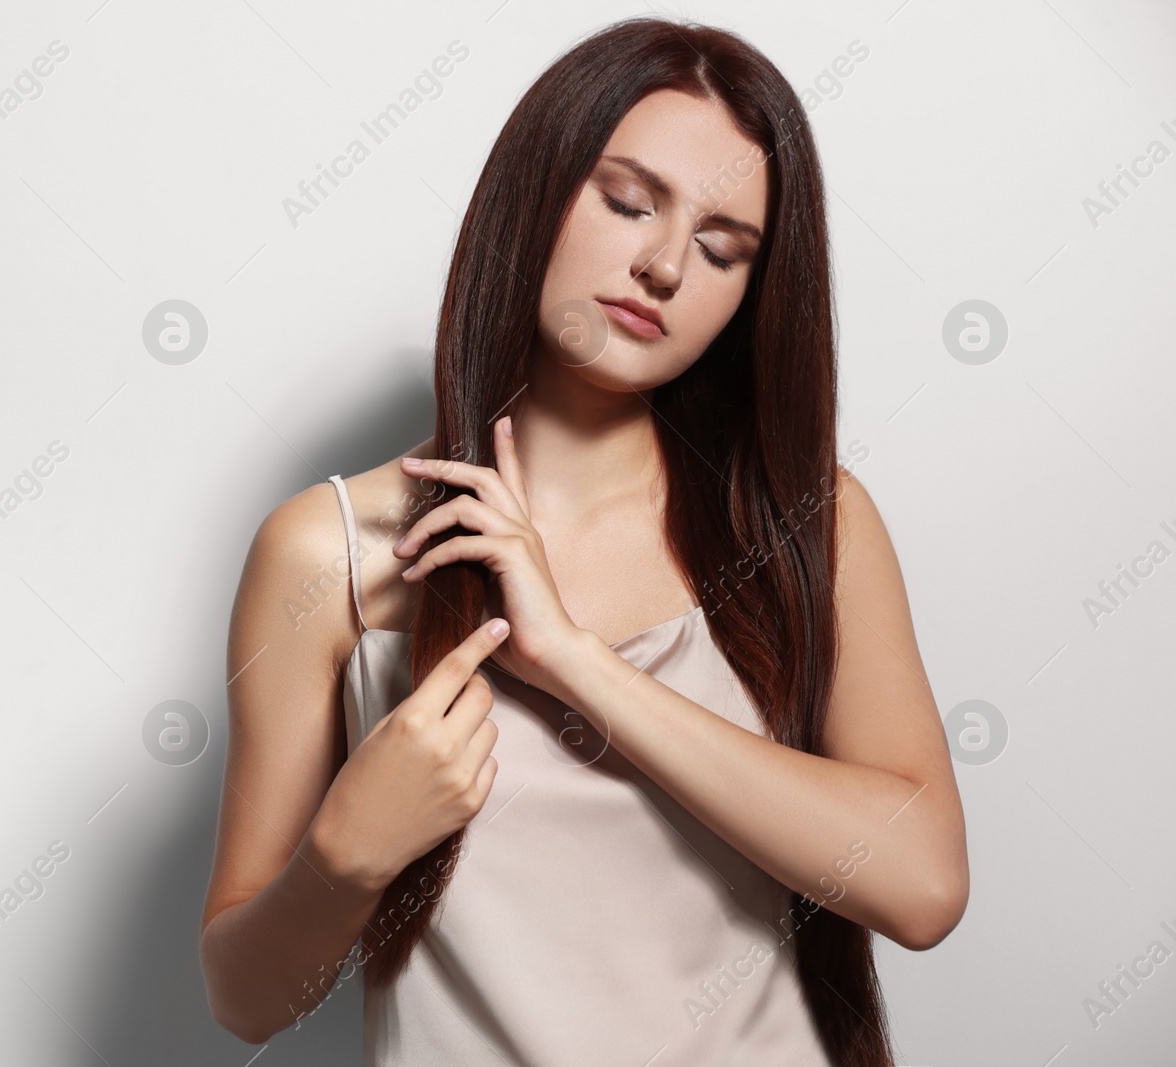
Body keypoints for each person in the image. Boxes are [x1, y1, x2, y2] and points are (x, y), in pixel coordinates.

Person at [200, 16, 969, 1066]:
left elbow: (922, 885)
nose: (660, 265)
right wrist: (343, 855)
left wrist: (573, 663)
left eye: (719, 247)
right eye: (626, 202)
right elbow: (245, 999)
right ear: (538, 191)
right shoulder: (328, 551)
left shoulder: (803, 520)